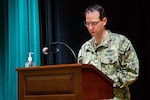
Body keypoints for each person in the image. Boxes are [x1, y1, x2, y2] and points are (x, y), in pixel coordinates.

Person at [77, 4, 139, 100]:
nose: (90, 27)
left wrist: (107, 82)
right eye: (87, 23)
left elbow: (132, 71)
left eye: (94, 23)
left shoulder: (121, 42)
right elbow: (80, 76)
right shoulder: (85, 48)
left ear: (104, 21)